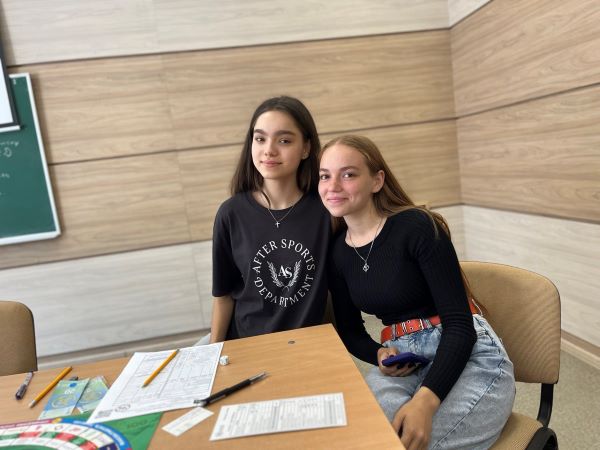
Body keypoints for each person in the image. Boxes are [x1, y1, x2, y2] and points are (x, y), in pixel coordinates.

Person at [318, 135, 515, 450]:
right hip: (404, 360)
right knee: (370, 437)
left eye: (348, 174)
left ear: (377, 180)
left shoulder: (416, 226)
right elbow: (350, 331)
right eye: (325, 176)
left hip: (467, 352)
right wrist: (378, 354)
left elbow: (460, 326)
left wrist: (425, 402)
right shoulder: (337, 253)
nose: (333, 186)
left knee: (415, 443)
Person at [207, 96, 330, 343]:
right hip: (248, 346)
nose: (269, 150)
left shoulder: (327, 211)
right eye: (260, 139)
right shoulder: (231, 214)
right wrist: (212, 354)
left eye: (284, 140)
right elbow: (223, 297)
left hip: (307, 347)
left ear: (306, 148)